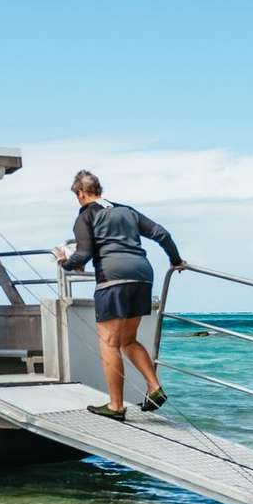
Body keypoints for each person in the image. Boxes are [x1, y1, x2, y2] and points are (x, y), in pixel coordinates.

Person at [53, 170, 184, 421]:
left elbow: (83, 255)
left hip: (113, 279)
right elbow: (162, 234)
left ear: (80, 193)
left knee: (110, 343)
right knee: (128, 340)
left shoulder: (86, 215)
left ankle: (116, 406)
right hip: (143, 276)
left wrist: (64, 262)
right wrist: (176, 260)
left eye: (77, 196)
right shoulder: (127, 210)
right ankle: (154, 387)